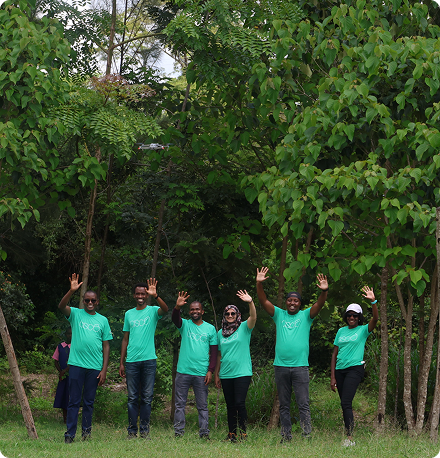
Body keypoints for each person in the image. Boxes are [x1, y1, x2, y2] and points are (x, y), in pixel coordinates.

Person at [256, 266, 328, 442]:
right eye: (290, 300)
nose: (292, 303)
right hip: (280, 366)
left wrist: (324, 291)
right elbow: (263, 300)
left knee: (303, 404)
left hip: (300, 367)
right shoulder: (279, 315)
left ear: (300, 303)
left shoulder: (306, 316)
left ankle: (306, 435)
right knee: (284, 405)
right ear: (286, 302)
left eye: (296, 301)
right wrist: (258, 283)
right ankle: (286, 436)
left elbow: (319, 304)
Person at [58, 273, 112, 443]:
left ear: (97, 302)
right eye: (87, 300)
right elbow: (61, 306)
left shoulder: (103, 320)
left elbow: (106, 346)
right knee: (73, 401)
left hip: (94, 367)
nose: (90, 303)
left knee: (89, 402)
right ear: (83, 301)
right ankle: (70, 435)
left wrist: (104, 370)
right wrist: (72, 290)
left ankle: (86, 434)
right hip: (76, 365)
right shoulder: (75, 314)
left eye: (93, 300)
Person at [119, 278, 169, 439]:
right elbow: (125, 338)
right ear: (134, 296)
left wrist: (156, 295)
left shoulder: (153, 311)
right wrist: (121, 361)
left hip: (149, 360)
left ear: (146, 295)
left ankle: (145, 431)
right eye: (138, 293)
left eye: (143, 293)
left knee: (147, 398)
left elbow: (166, 309)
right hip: (132, 361)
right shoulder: (129, 314)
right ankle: (132, 431)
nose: (140, 295)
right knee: (132, 397)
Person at [330, 286, 379, 447]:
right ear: (346, 316)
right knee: (344, 404)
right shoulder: (341, 331)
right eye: (349, 315)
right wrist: (332, 377)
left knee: (346, 403)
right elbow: (334, 354)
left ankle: (350, 438)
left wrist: (373, 302)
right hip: (340, 370)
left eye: (355, 315)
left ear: (359, 318)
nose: (352, 317)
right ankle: (348, 434)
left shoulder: (363, 330)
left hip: (355, 369)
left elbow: (375, 320)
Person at [172, 292, 218, 439]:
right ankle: (178, 432)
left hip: (201, 372)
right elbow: (175, 319)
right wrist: (177, 307)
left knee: (202, 406)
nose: (195, 311)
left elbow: (214, 352)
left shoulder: (210, 329)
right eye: (192, 309)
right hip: (183, 371)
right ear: (189, 312)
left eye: (197, 309)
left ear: (202, 311)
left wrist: (210, 371)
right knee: (180, 404)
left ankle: (204, 433)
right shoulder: (184, 325)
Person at [214, 290, 256, 443]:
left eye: (233, 313)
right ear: (224, 316)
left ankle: (243, 434)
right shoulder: (220, 333)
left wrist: (250, 302)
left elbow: (253, 317)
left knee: (239, 403)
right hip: (226, 374)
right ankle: (232, 434)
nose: (230, 316)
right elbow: (219, 355)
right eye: (227, 314)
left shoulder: (244, 327)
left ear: (237, 315)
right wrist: (217, 374)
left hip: (242, 372)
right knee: (230, 405)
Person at [53, 326, 72, 423]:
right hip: (63, 377)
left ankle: (71, 418)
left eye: (72, 334)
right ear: (65, 334)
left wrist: (64, 371)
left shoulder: (75, 346)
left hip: (72, 376)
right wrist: (61, 372)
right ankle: (64, 418)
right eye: (68, 333)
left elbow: (74, 362)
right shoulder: (60, 346)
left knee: (70, 396)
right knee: (63, 395)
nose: (70, 335)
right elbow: (56, 361)